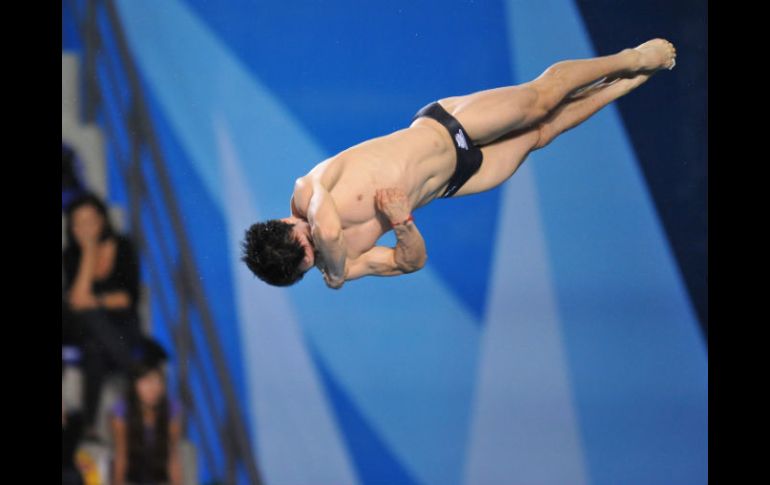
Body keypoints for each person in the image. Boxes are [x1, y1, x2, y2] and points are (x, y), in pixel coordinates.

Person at [242, 39, 676, 289]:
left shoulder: (309, 190)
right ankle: (630, 84)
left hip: (446, 127)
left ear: (288, 220)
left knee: (541, 100)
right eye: (312, 258)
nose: (317, 245)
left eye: (306, 239)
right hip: (456, 179)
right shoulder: (338, 261)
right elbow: (410, 263)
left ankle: (627, 59)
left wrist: (334, 272)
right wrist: (403, 225)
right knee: (544, 134)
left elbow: (331, 231)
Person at [62, 193, 143, 434]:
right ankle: (135, 373)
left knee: (94, 347)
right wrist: (88, 251)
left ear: (102, 220)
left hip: (120, 325)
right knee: (88, 318)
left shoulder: (124, 246)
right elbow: (76, 300)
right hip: (84, 325)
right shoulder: (71, 255)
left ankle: (88, 426)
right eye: (78, 223)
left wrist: (96, 301)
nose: (85, 228)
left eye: (90, 220)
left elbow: (128, 298)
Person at [110, 359, 183, 485]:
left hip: (159, 475)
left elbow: (172, 457)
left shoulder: (170, 410)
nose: (153, 388)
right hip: (132, 475)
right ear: (134, 384)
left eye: (158, 382)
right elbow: (121, 454)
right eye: (147, 381)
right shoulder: (122, 411)